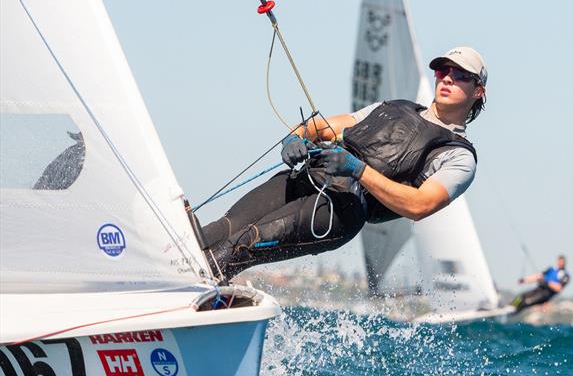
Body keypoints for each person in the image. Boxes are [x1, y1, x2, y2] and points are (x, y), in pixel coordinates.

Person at [201, 46, 488, 280]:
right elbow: (317, 128)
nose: (447, 78)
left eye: (460, 74)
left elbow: (419, 205)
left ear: (478, 91)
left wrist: (357, 169)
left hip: (341, 211)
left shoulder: (458, 156)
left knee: (242, 245)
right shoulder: (393, 108)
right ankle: (169, 278)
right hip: (311, 177)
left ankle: (195, 298)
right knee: (221, 229)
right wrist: (292, 140)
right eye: (443, 71)